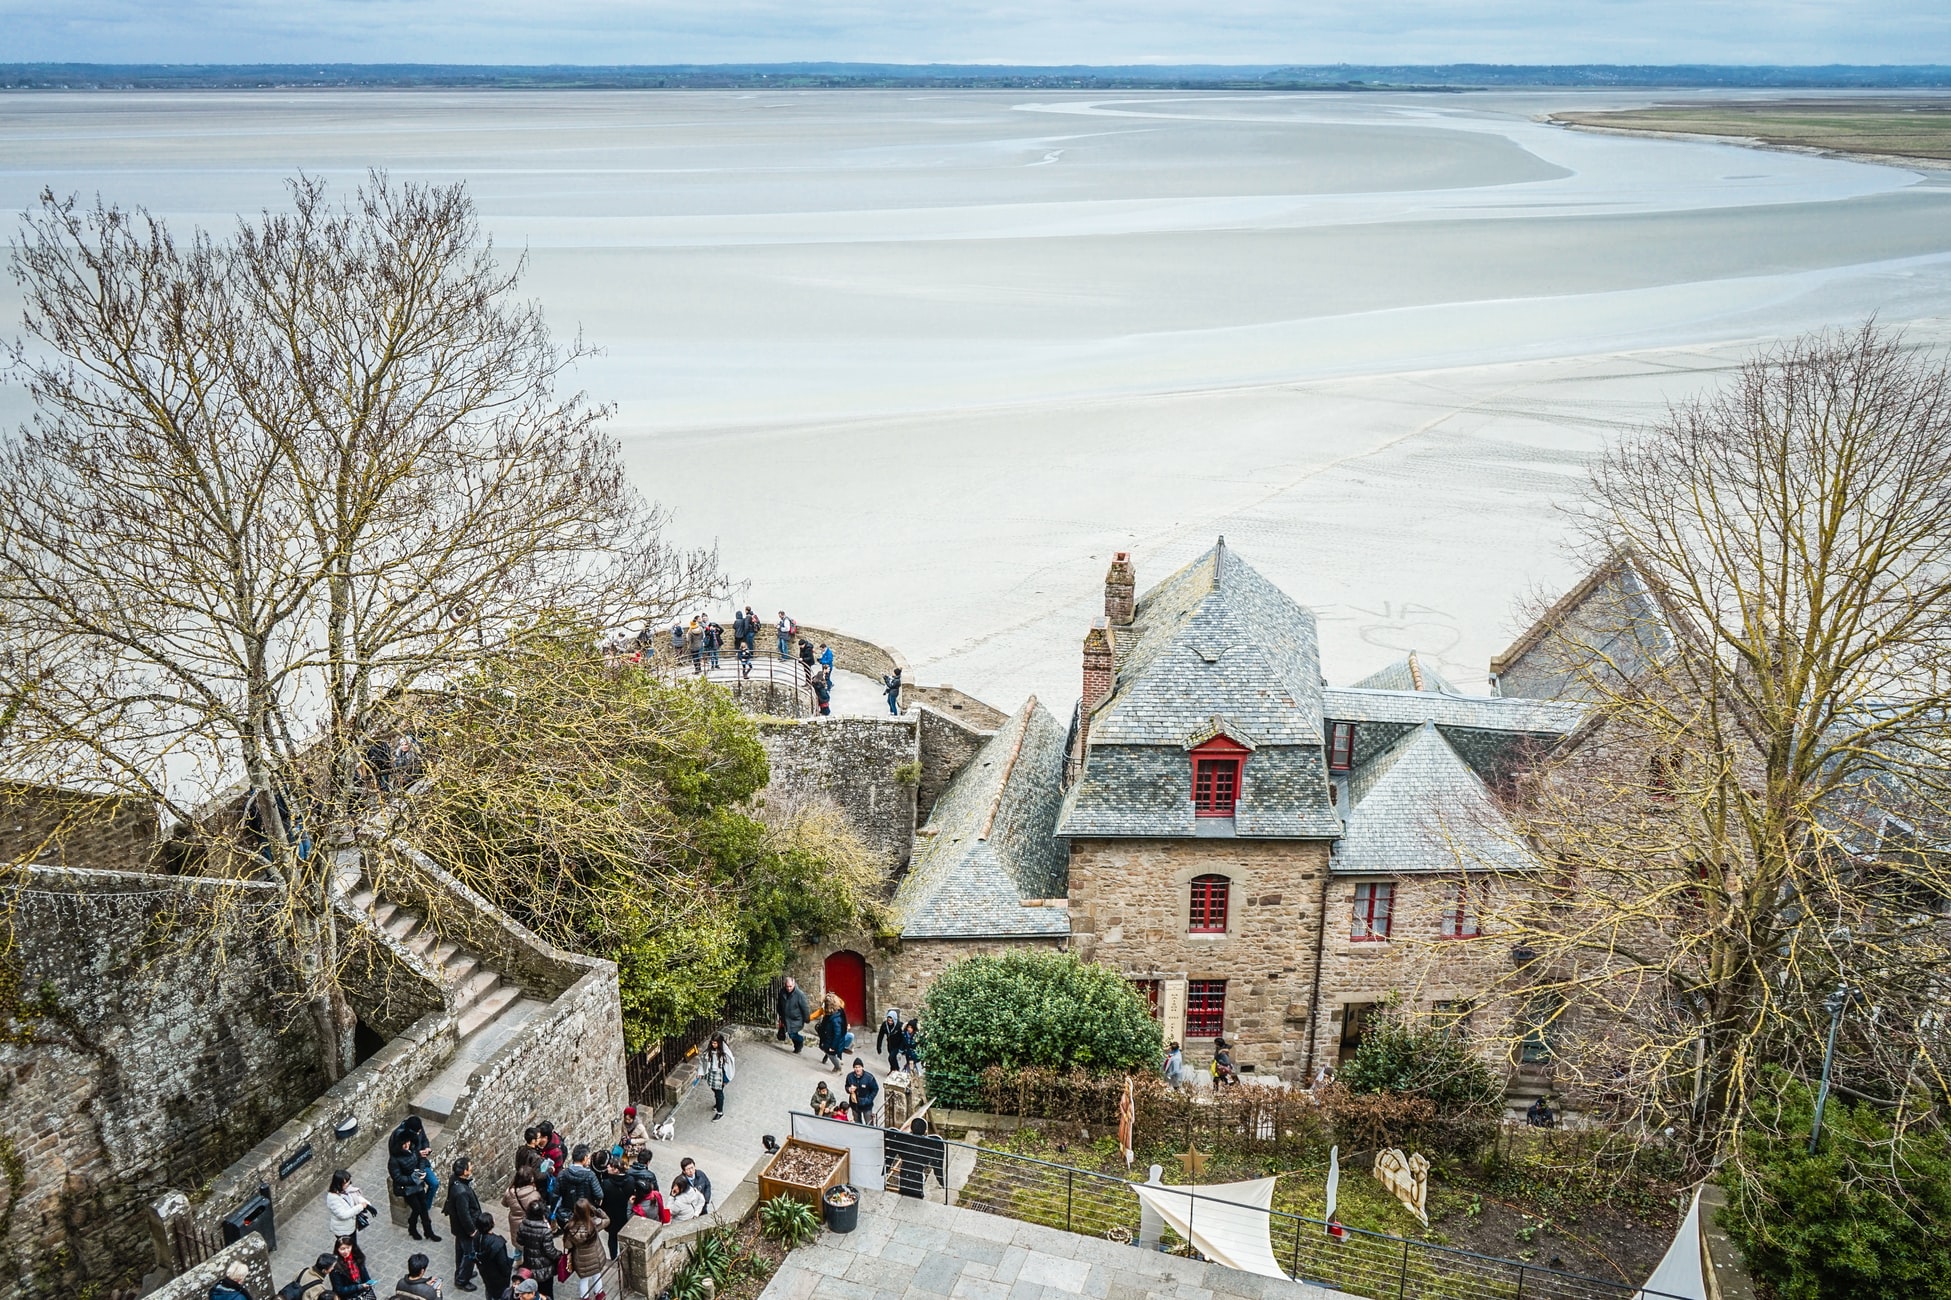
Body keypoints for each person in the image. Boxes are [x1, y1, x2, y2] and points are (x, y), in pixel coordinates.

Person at [443, 1157, 484, 1291]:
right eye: (469, 1166)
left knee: (460, 1251)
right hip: (465, 1228)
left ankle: (461, 1272)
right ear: (465, 1172)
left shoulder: (455, 1180)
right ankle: (462, 1280)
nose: (471, 1167)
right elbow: (464, 1214)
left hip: (458, 1227)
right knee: (469, 1254)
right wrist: (472, 1230)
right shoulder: (461, 1192)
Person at [391, 1131, 439, 1242]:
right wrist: (413, 1178)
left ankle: (429, 1232)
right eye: (404, 1143)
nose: (406, 1144)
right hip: (407, 1188)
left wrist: (421, 1172)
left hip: (417, 1183)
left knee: (424, 1209)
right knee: (417, 1208)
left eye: (407, 1142)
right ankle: (412, 1227)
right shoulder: (394, 1160)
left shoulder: (412, 1150)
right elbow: (398, 1178)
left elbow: (421, 1159)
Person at [882, 1117, 947, 1199]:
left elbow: (891, 1151)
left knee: (903, 1192)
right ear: (925, 1131)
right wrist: (940, 1178)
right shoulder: (929, 1143)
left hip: (905, 1171)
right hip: (918, 1173)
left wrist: (886, 1168)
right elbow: (936, 1164)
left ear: (911, 1128)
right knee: (917, 1194)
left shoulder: (903, 1139)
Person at [560, 1200, 610, 1299]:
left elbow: (568, 1246)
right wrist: (596, 1211)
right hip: (595, 1256)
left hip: (581, 1260)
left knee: (584, 1280)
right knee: (597, 1276)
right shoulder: (594, 1224)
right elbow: (607, 1220)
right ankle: (599, 1294)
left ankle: (585, 1297)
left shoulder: (570, 1228)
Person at [327, 1170, 378, 1261]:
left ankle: (354, 1261)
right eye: (346, 1182)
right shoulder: (333, 1198)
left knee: (352, 1247)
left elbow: (355, 1197)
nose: (349, 1184)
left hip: (350, 1227)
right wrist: (361, 1206)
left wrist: (367, 1204)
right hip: (343, 1230)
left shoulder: (345, 1190)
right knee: (349, 1249)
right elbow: (344, 1214)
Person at [514, 1202, 560, 1300]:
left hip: (529, 1265)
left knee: (532, 1292)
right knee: (547, 1293)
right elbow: (550, 1251)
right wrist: (559, 1255)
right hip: (544, 1268)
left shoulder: (523, 1224)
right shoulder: (545, 1230)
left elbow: (519, 1241)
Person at [596, 1151, 634, 1258]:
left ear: (616, 1170)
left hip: (611, 1216)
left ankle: (614, 1258)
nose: (607, 1166)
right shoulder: (631, 1180)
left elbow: (602, 1201)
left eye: (610, 1166)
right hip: (625, 1215)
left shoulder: (606, 1184)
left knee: (612, 1238)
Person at [474, 1215, 517, 1300]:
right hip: (498, 1277)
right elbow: (503, 1264)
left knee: (489, 1290)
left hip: (486, 1272)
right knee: (500, 1294)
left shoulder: (477, 1236)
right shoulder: (497, 1243)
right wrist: (508, 1271)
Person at [695, 1033, 735, 1121]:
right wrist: (700, 1072)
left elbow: (729, 1066)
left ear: (719, 1043)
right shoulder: (709, 1050)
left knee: (718, 1092)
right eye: (712, 1043)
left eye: (715, 1043)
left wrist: (726, 1078)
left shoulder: (725, 1053)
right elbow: (703, 1061)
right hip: (712, 1074)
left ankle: (720, 1112)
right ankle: (718, 1103)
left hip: (720, 1075)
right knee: (715, 1089)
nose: (713, 1045)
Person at [556, 1146, 603, 1221]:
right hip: (586, 1212)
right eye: (589, 1158)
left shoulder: (562, 1174)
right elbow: (599, 1194)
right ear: (585, 1158)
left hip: (568, 1213)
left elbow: (556, 1195)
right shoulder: (590, 1175)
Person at [501, 1169, 542, 1244]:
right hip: (529, 1224)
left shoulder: (509, 1192)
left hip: (514, 1222)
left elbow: (504, 1204)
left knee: (517, 1242)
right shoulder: (535, 1195)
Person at [816, 992, 851, 1071]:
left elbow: (837, 1034)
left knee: (831, 1054)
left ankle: (838, 1067)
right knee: (829, 1052)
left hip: (833, 1042)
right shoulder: (832, 1014)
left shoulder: (835, 1019)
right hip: (829, 1039)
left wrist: (833, 1046)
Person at [776, 975, 812, 1053]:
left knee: (792, 1033)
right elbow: (779, 1004)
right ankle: (797, 1046)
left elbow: (805, 1007)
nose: (788, 988)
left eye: (790, 986)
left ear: (794, 984)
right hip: (786, 1018)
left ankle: (800, 1042)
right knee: (790, 1033)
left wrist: (807, 1018)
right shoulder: (782, 992)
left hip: (796, 1019)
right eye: (787, 986)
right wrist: (780, 1014)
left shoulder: (800, 994)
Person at [845, 1058, 880, 1124]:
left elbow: (875, 1089)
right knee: (857, 1122)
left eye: (859, 1067)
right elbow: (846, 1086)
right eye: (855, 1067)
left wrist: (869, 1100)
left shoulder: (869, 1077)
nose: (857, 1069)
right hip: (854, 1104)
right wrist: (849, 1089)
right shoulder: (850, 1076)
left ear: (862, 1067)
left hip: (866, 1105)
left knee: (869, 1123)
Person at [876, 1010, 902, 1074]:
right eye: (889, 1020)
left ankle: (897, 1069)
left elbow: (903, 1038)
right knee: (892, 1058)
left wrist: (902, 1049)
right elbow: (880, 1036)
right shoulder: (885, 1025)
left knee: (891, 1058)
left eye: (891, 1020)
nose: (890, 1022)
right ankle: (892, 1069)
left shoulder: (899, 1026)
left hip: (897, 1045)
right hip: (890, 1045)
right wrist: (878, 1047)